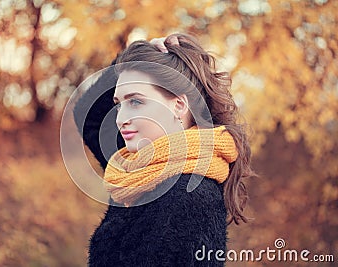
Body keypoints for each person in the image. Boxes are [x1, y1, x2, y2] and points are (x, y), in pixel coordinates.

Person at [73, 33, 255, 266]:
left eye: (136, 102)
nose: (120, 119)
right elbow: (89, 117)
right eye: (119, 104)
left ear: (179, 105)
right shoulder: (137, 170)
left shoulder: (189, 196)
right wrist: (129, 61)